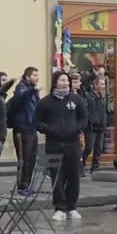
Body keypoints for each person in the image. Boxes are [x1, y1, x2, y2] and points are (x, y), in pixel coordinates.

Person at [34, 71, 88, 221]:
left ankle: (72, 207)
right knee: (57, 176)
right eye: (62, 80)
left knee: (74, 176)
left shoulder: (76, 100)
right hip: (54, 144)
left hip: (73, 143)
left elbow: (84, 118)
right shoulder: (45, 102)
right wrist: (51, 130)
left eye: (67, 80)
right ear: (55, 82)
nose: (65, 83)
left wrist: (77, 129)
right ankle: (60, 207)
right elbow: (36, 122)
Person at [10, 67, 41, 194]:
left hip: (32, 128)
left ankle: (27, 184)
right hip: (22, 129)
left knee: (32, 159)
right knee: (24, 159)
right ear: (27, 77)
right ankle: (22, 186)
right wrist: (31, 91)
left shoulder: (33, 91)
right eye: (34, 75)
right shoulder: (22, 88)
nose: (37, 77)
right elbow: (20, 98)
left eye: (37, 75)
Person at [82, 77, 107, 175]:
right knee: (89, 148)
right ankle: (81, 163)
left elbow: (104, 112)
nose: (103, 86)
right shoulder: (88, 96)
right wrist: (88, 121)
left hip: (100, 127)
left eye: (104, 84)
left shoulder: (103, 98)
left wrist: (104, 122)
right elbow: (86, 111)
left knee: (99, 149)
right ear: (95, 86)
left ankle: (95, 167)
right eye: (101, 84)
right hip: (91, 127)